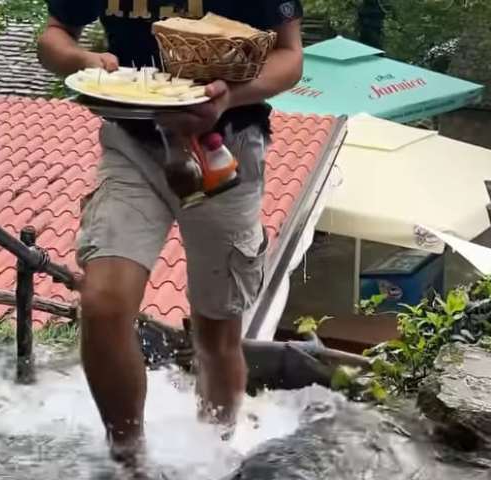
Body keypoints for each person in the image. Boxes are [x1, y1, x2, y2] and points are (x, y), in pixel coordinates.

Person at [37, 0, 304, 465]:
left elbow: (290, 54)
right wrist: (83, 61)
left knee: (216, 334)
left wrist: (230, 96)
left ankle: (215, 454)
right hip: (132, 147)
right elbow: (54, 35)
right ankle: (129, 461)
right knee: (102, 305)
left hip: (227, 152)